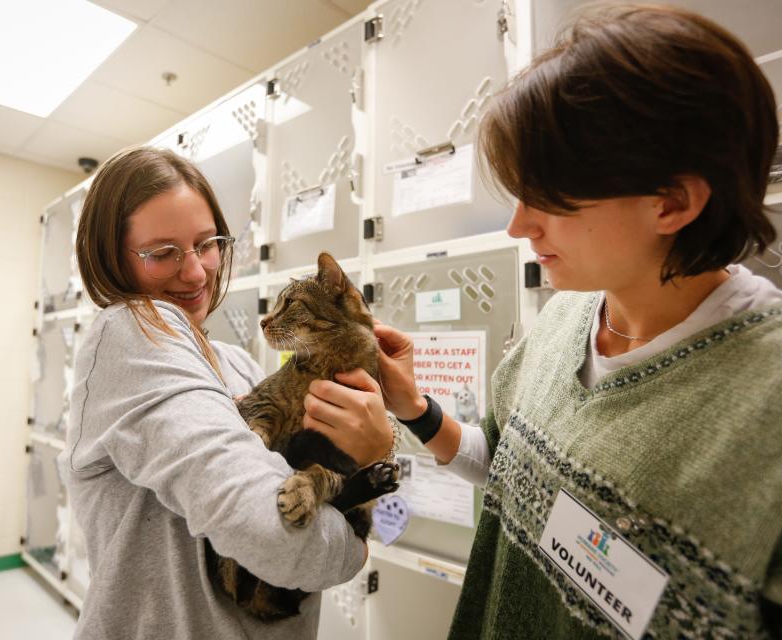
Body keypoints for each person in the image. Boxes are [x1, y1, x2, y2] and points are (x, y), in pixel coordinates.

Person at [303, 4, 782, 638]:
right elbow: (506, 465)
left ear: (672, 201)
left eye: (550, 198)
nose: (518, 226)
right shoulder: (567, 316)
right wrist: (413, 406)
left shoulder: (766, 400)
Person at [62, 147, 392, 640]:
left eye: (206, 243)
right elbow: (280, 541)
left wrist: (375, 450)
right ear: (112, 259)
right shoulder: (128, 333)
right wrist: (356, 548)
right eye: (162, 252)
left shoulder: (238, 365)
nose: (196, 272)